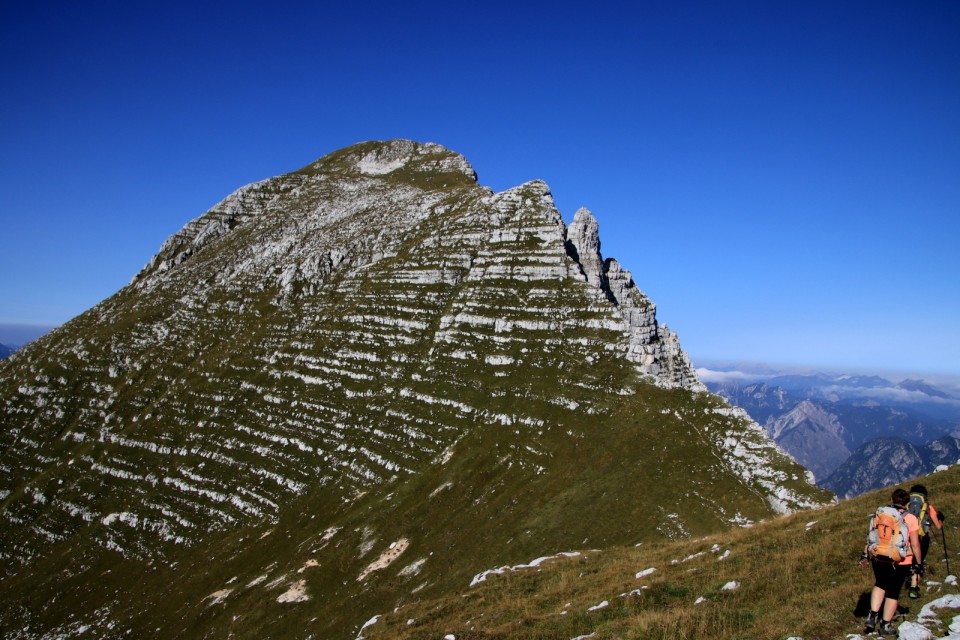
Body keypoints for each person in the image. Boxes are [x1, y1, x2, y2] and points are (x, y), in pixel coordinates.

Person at [860, 488, 922, 637]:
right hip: (900, 560)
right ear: (907, 503)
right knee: (893, 592)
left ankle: (872, 615)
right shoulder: (911, 518)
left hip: (879, 556)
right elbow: (915, 544)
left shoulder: (882, 514)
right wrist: (918, 563)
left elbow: (872, 536)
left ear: (893, 500)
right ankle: (885, 624)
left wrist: (865, 554)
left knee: (880, 584)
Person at [907, 484, 945, 599]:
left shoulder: (907, 505)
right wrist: (941, 519)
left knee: (908, 558)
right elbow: (938, 526)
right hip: (922, 537)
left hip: (907, 536)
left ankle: (905, 575)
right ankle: (914, 588)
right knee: (918, 562)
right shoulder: (928, 507)